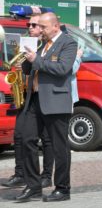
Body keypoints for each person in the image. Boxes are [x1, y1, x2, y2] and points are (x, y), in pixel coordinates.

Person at [16, 12, 77, 202]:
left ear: (55, 26)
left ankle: (62, 188)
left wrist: (37, 60)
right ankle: (33, 186)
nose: (39, 30)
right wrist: (25, 59)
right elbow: (30, 69)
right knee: (26, 139)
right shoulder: (42, 44)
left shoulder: (68, 43)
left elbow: (62, 69)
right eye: (39, 27)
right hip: (34, 99)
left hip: (56, 102)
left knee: (59, 147)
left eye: (43, 27)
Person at [1, 14, 54, 189]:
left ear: (42, 28)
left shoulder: (47, 46)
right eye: (29, 24)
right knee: (20, 135)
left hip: (44, 97)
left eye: (34, 25)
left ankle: (46, 176)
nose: (30, 27)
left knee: (46, 139)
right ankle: (21, 173)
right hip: (27, 95)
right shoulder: (26, 45)